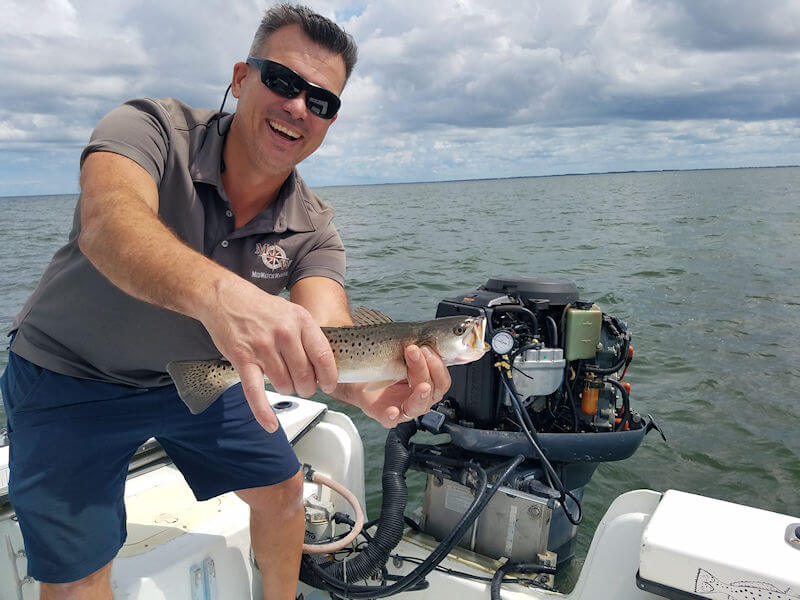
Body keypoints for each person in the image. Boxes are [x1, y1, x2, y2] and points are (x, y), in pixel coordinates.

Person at [0, 4, 451, 599]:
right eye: (284, 82)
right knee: (79, 573)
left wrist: (361, 385)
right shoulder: (149, 129)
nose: (298, 106)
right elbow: (109, 224)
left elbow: (329, 323)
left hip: (203, 380)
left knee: (285, 493)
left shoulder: (312, 226)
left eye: (322, 101)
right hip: (68, 377)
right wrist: (220, 294)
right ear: (241, 78)